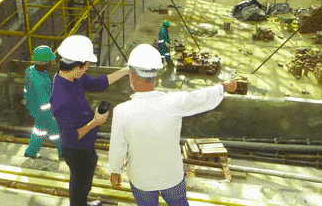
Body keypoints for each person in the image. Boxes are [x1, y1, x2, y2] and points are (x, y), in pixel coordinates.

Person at [108, 44, 239, 206]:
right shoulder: (173, 102)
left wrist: (115, 171)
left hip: (142, 179)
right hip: (172, 176)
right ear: (155, 77)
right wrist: (224, 87)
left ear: (131, 76)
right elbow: (200, 97)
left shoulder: (122, 111)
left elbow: (117, 148)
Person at [50, 35, 129, 206]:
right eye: (86, 65)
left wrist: (126, 70)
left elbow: (98, 83)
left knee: (84, 177)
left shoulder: (72, 77)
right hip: (76, 149)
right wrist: (95, 121)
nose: (88, 68)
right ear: (76, 66)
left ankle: (82, 202)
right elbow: (70, 137)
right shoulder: (61, 98)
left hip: (85, 144)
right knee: (80, 183)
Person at [23, 45, 62, 159]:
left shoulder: (30, 70)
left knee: (39, 130)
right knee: (57, 133)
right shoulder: (40, 82)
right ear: (44, 63)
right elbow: (45, 104)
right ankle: (64, 153)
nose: (51, 63)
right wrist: (53, 116)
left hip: (34, 108)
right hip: (43, 112)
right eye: (49, 61)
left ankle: (30, 152)